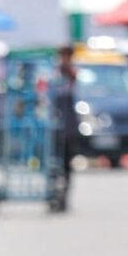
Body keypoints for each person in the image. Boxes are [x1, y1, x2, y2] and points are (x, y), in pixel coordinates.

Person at [54, 45, 79, 191]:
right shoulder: (54, 72)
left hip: (68, 124)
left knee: (67, 157)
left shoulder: (72, 73)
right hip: (55, 123)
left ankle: (65, 187)